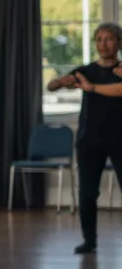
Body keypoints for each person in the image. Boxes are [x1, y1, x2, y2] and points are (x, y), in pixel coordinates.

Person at [47, 22, 122, 254]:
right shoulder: (85, 70)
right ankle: (89, 241)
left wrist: (91, 88)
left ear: (118, 42)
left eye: (108, 39)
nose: (103, 44)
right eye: (99, 39)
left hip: (120, 138)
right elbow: (51, 86)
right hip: (90, 139)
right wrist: (61, 82)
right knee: (87, 193)